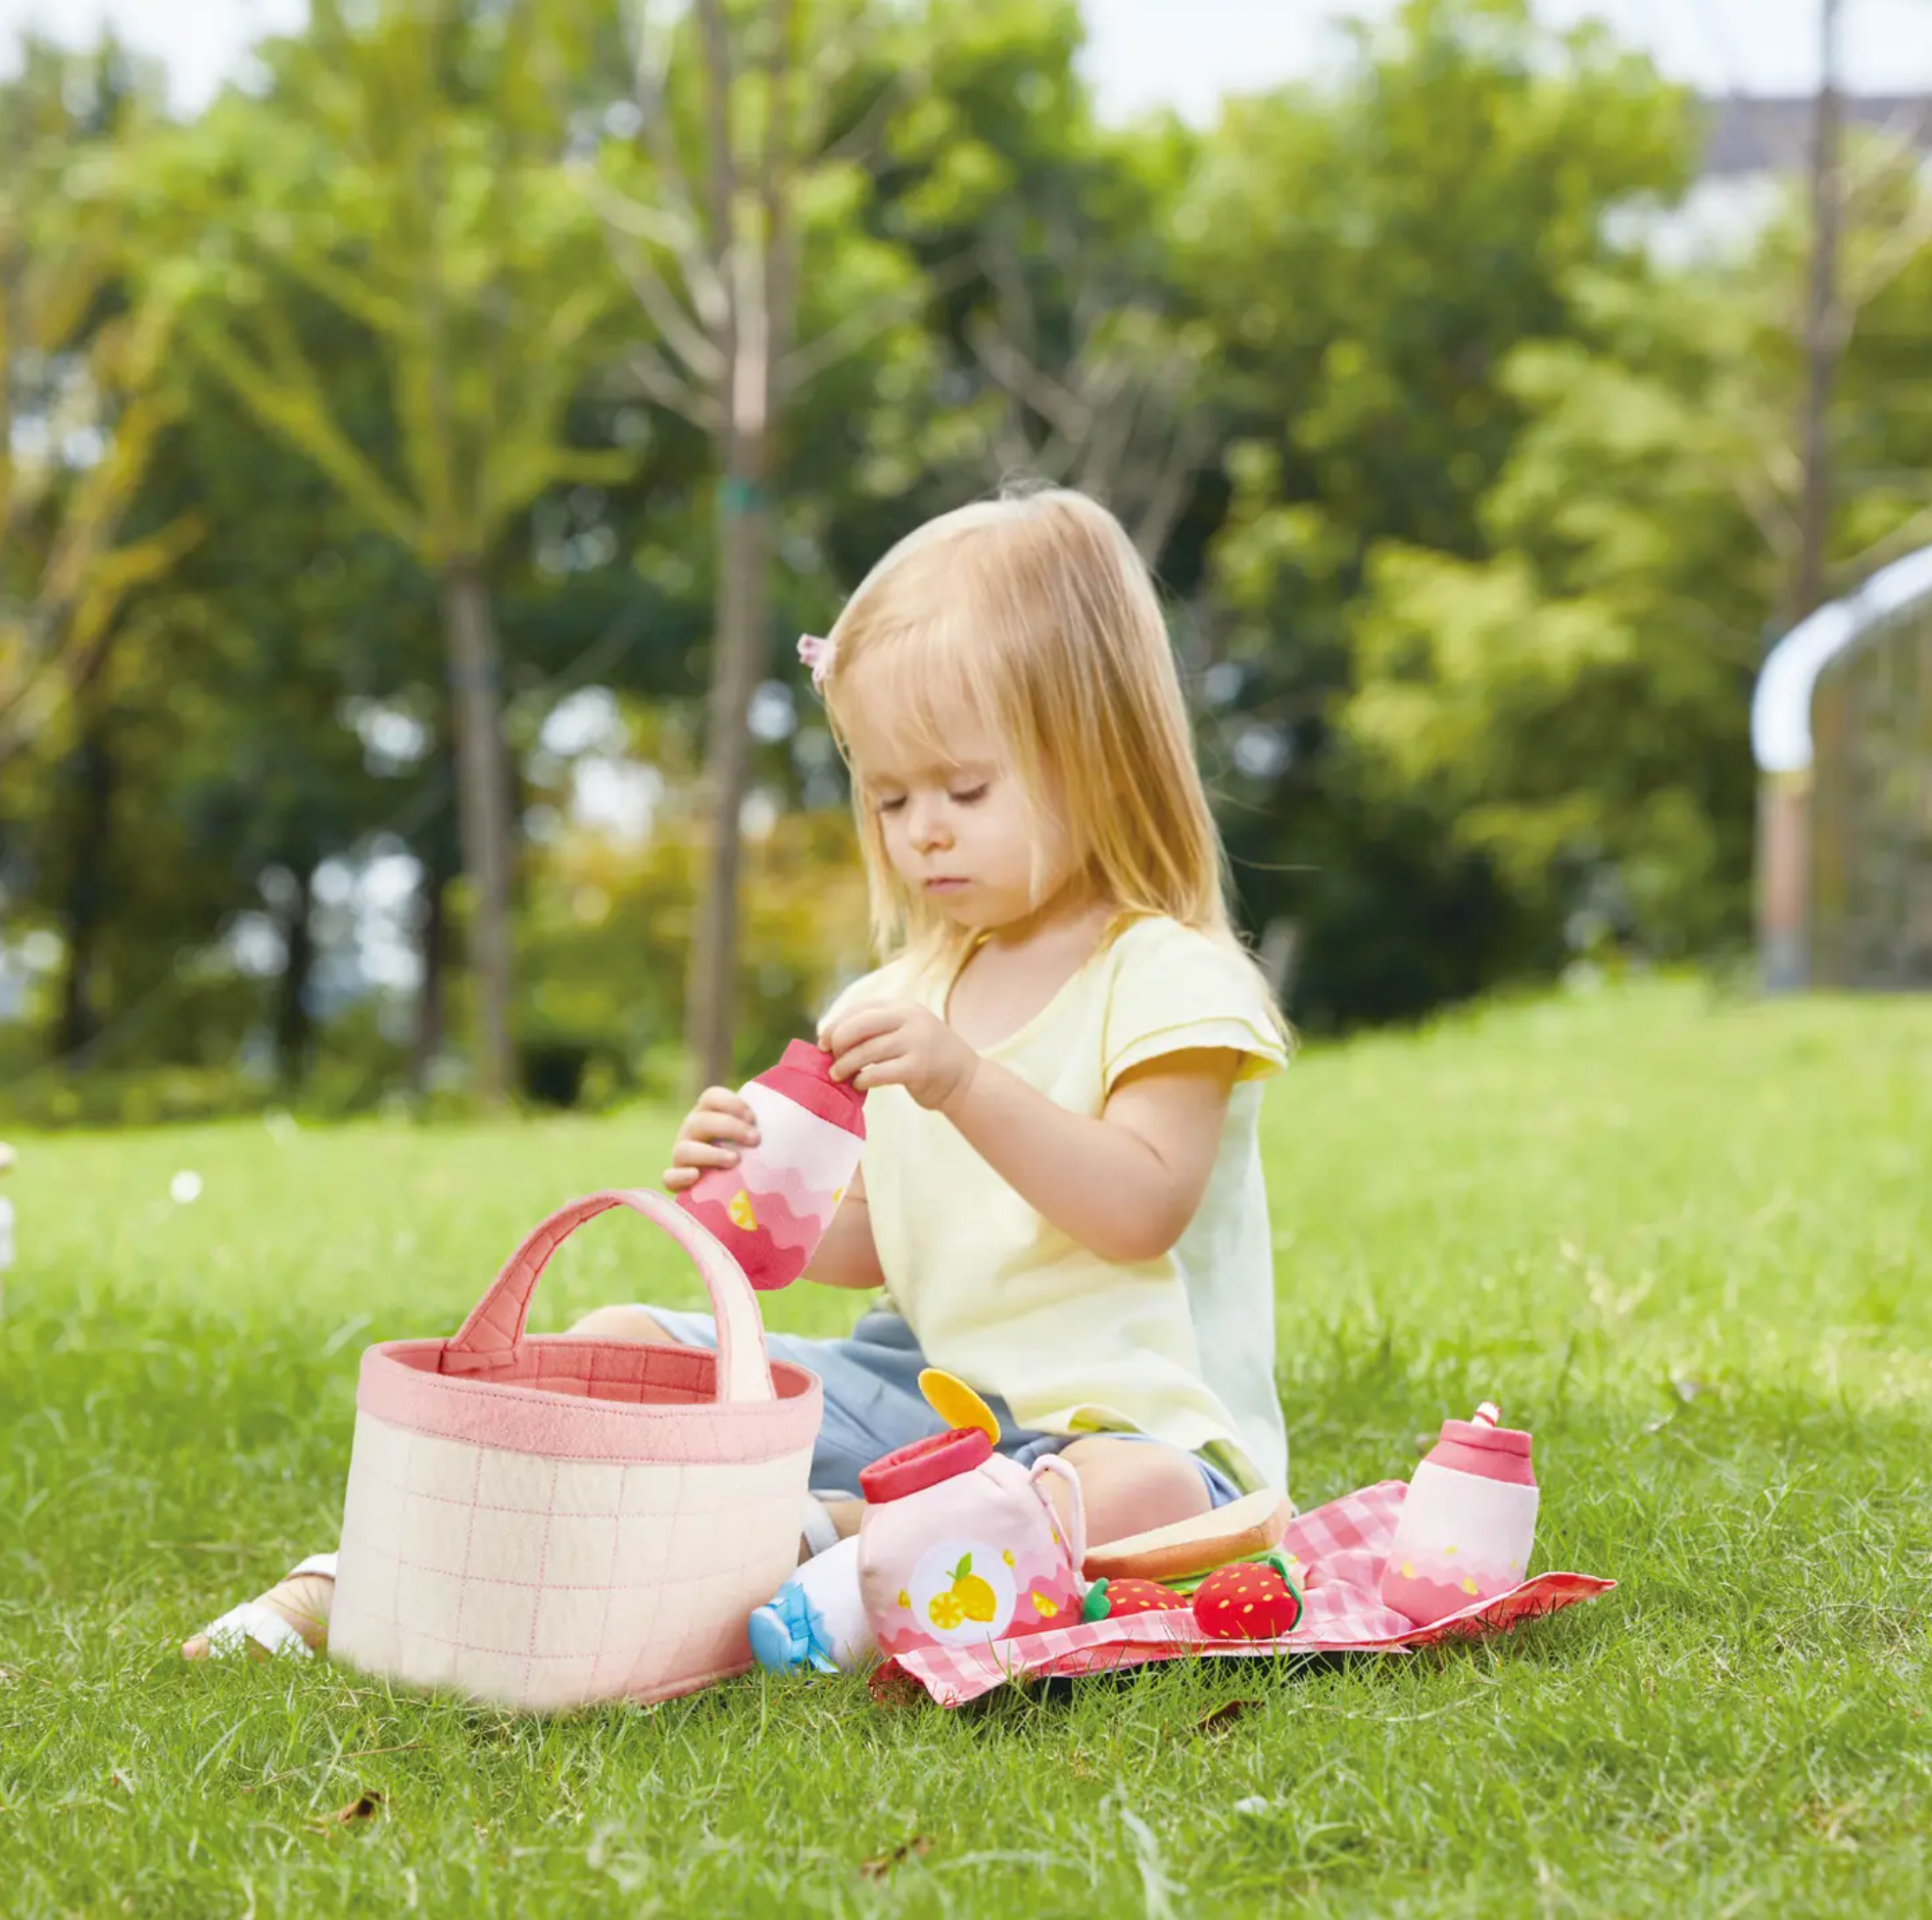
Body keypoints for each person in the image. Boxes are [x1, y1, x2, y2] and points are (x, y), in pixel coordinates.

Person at [184, 485, 1291, 1662]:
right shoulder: (895, 996)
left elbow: (1137, 1207)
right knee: (621, 1337)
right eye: (887, 794)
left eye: (965, 790)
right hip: (923, 1387)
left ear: (1103, 762)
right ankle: (384, 1572)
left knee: (1152, 1502)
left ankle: (797, 1543)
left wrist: (965, 1083)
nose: (921, 829)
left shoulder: (1168, 976)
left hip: (1119, 1422)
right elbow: (866, 1245)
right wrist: (749, 1193)